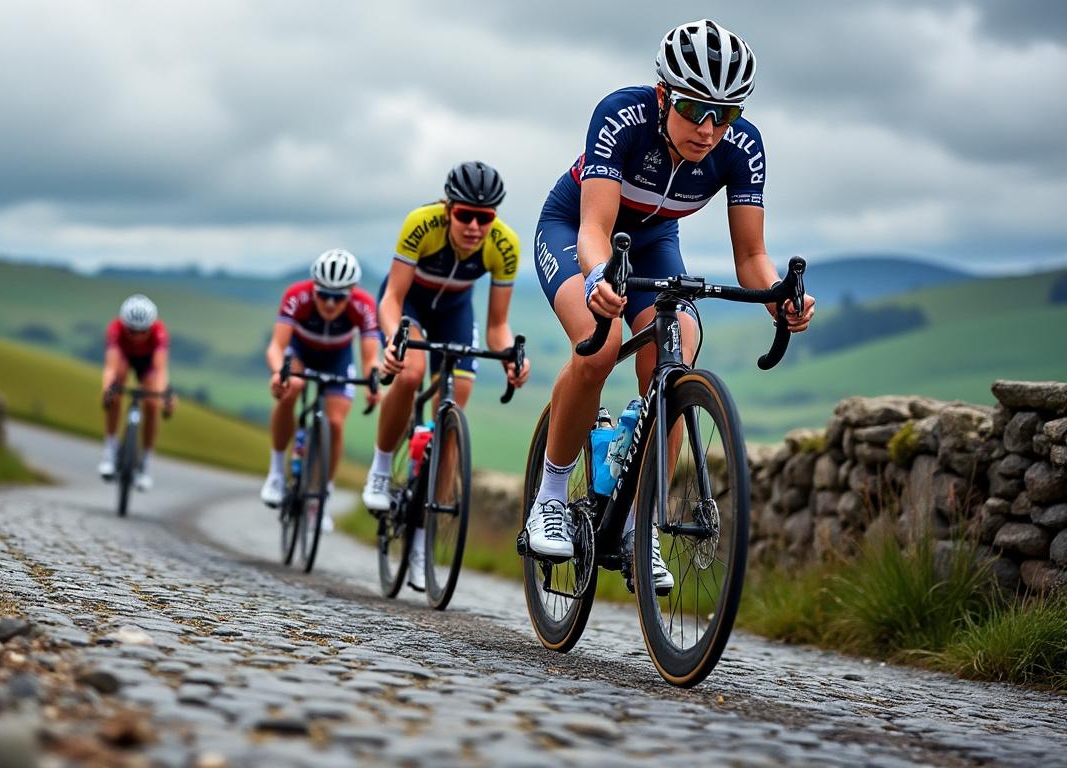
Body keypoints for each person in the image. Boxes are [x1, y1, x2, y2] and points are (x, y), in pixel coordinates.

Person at [526, 19, 816, 589]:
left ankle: (639, 525)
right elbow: (594, 228)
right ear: (664, 95)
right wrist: (596, 281)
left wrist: (779, 301)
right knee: (601, 344)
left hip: (657, 244)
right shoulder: (620, 115)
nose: (709, 129)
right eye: (693, 108)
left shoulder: (743, 146)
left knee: (675, 352)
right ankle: (552, 496)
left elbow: (752, 257)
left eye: (725, 114)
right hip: (576, 230)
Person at [364, 161, 532, 591]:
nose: (475, 226)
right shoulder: (421, 224)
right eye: (465, 215)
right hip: (411, 308)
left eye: (486, 217)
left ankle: (423, 540)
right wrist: (391, 341)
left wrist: (510, 356)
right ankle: (382, 469)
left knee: (455, 409)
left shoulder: (505, 245)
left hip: (456, 314)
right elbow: (393, 298)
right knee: (411, 371)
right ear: (448, 207)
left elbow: (497, 325)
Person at [261, 249, 382, 531]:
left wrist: (372, 381)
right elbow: (277, 346)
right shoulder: (296, 295)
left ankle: (322, 496)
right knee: (294, 387)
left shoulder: (364, 305)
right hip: (300, 353)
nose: (329, 303)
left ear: (351, 293)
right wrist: (280, 372)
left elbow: (369, 358)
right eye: (323, 294)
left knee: (336, 423)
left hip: (338, 360)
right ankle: (277, 472)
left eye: (338, 297)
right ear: (313, 288)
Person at [99, 294, 176, 490]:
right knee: (116, 387)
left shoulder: (159, 332)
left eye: (143, 331)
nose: (137, 336)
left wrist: (164, 395)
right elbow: (111, 365)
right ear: (124, 324)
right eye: (132, 330)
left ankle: (145, 464)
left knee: (151, 404)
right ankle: (110, 450)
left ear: (151, 326)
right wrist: (107, 387)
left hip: (147, 363)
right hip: (123, 358)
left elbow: (160, 369)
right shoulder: (115, 329)